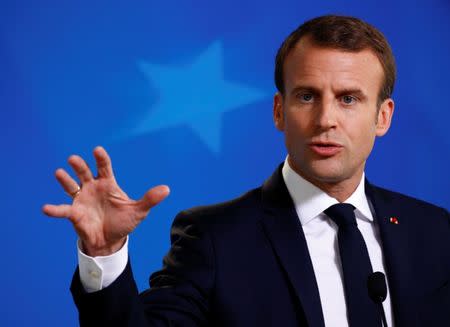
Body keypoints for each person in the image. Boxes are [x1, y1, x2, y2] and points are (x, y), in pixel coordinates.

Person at [43, 15, 450, 327]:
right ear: (279, 111)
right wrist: (104, 254)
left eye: (348, 99)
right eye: (307, 96)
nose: (326, 118)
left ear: (383, 116)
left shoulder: (433, 231)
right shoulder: (213, 238)